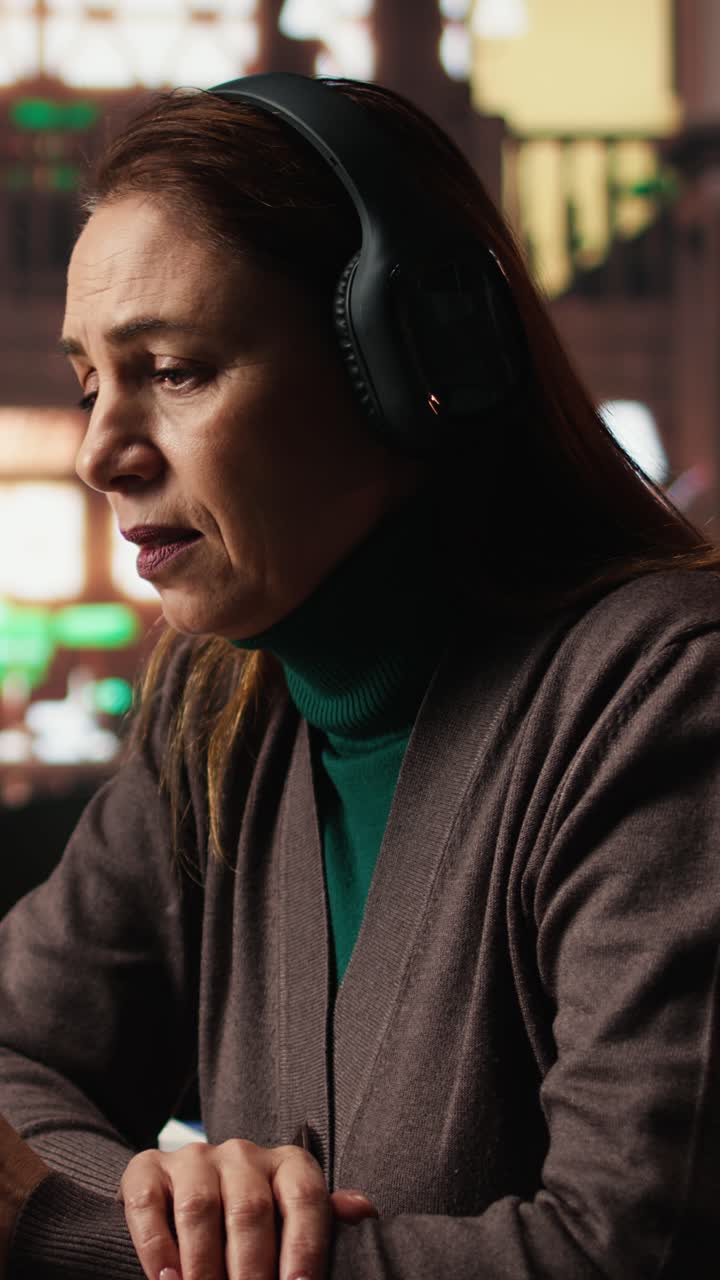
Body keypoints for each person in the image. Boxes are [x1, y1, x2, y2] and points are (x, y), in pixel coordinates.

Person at [1, 70, 719, 1280]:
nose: (102, 453)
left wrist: (79, 1236)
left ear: (411, 357)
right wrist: (170, 1205)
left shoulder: (665, 698)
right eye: (89, 383)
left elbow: (621, 1249)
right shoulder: (214, 703)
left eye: (173, 369)